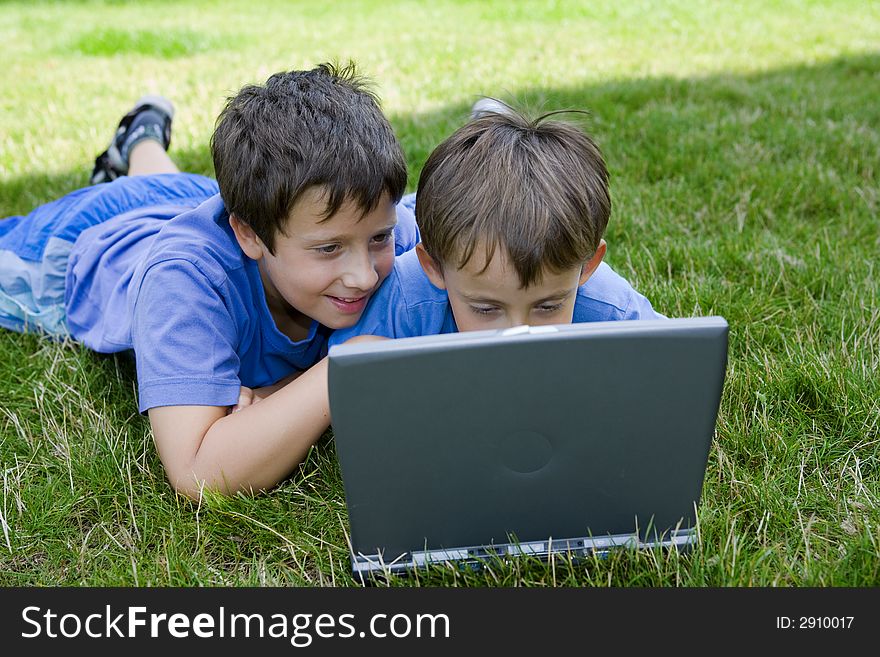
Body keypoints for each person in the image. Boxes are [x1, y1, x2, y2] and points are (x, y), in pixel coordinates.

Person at [0, 63, 418, 499]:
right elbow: (198, 472)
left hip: (185, 198)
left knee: (167, 185)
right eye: (329, 249)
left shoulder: (348, 218)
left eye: (379, 238)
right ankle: (132, 154)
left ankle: (140, 139)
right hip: (93, 240)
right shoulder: (184, 281)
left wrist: (275, 396)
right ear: (250, 235)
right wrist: (344, 369)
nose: (364, 275)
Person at [330, 100, 662, 347]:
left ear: (588, 265)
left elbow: (675, 362)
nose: (518, 335)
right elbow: (345, 374)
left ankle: (492, 127)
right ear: (433, 268)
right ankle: (488, 128)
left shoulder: (610, 308)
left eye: (548, 306)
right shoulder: (403, 300)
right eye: (486, 309)